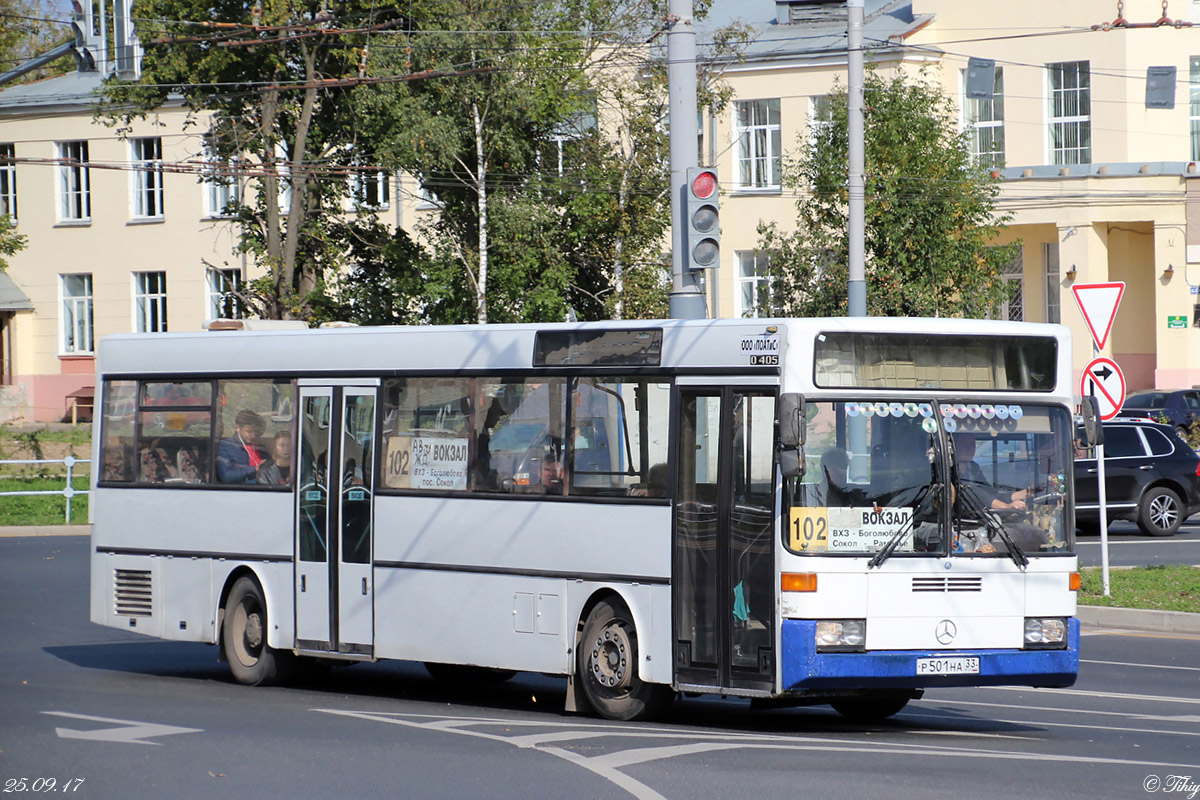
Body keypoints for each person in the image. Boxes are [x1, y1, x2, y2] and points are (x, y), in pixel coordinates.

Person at [952, 433, 1027, 511]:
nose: (970, 449)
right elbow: (967, 490)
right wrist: (1005, 507)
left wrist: (1020, 494)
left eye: (972, 444)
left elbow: (989, 492)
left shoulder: (973, 466)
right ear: (953, 446)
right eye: (965, 444)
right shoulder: (948, 469)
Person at [217, 409, 266, 483]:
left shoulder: (259, 445)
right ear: (237, 428)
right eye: (249, 431)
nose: (253, 435)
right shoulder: (226, 446)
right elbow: (226, 476)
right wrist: (255, 469)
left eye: (255, 432)